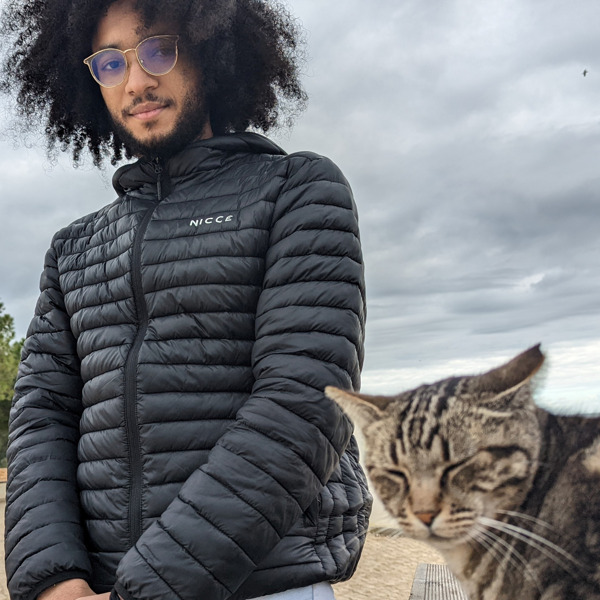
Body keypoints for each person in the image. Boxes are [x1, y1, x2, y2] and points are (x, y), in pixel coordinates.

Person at [0, 1, 370, 600]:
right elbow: (42, 416)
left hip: (265, 584)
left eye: (157, 49)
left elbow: (304, 403)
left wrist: (148, 590)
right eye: (110, 62)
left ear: (211, 49)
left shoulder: (297, 189)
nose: (136, 81)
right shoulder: (73, 248)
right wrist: (52, 581)